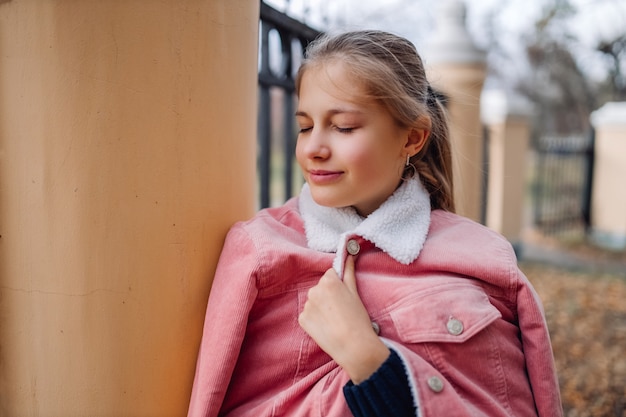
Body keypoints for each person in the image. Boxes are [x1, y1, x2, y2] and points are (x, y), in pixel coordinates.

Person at [187, 30, 562, 417]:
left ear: (413, 138)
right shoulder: (259, 249)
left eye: (344, 126)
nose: (313, 148)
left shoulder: (484, 259)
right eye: (304, 126)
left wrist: (370, 362)